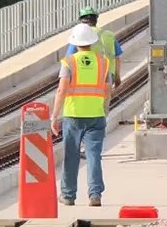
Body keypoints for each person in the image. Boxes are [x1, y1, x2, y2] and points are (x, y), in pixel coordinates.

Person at [52, 24, 111, 207]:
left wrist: (55, 116)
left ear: (75, 43)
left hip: (73, 115)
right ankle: (95, 195)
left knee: (71, 155)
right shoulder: (103, 62)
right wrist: (103, 106)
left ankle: (68, 196)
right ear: (92, 42)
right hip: (95, 115)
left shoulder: (69, 62)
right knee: (94, 155)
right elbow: (108, 88)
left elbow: (62, 89)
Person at [66, 7, 122, 85]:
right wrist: (117, 77)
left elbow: (69, 60)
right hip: (108, 76)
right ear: (96, 20)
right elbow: (117, 58)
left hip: (86, 77)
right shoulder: (109, 35)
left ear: (81, 21)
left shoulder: (79, 35)